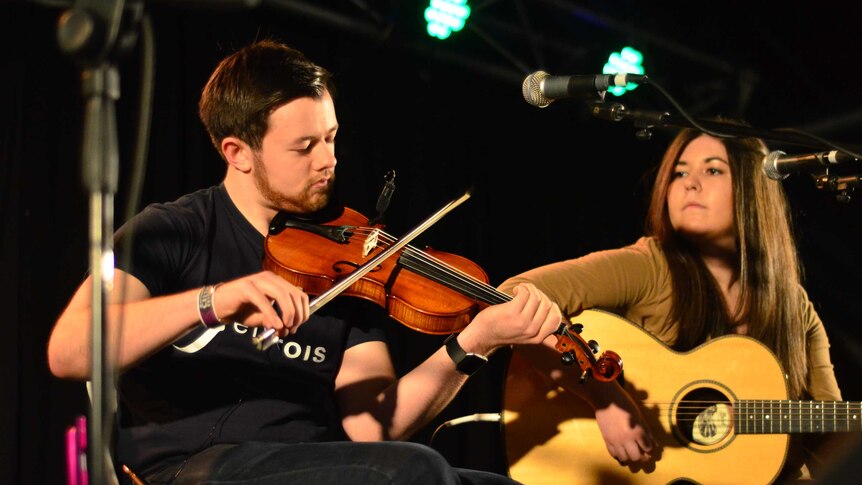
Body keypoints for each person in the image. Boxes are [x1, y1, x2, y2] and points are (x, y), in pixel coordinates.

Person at [46, 39, 562, 485]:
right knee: (415, 473)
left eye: (332, 137)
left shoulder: (350, 254)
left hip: (321, 465)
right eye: (305, 146)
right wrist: (215, 300)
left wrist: (474, 342)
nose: (328, 160)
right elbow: (69, 350)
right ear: (238, 152)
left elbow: (370, 427)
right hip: (195, 468)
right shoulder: (170, 230)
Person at [498, 124, 843, 481]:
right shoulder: (651, 265)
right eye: (679, 172)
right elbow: (515, 293)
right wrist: (605, 399)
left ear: (753, 189)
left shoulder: (794, 305)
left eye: (712, 170)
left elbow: (832, 425)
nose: (690, 183)